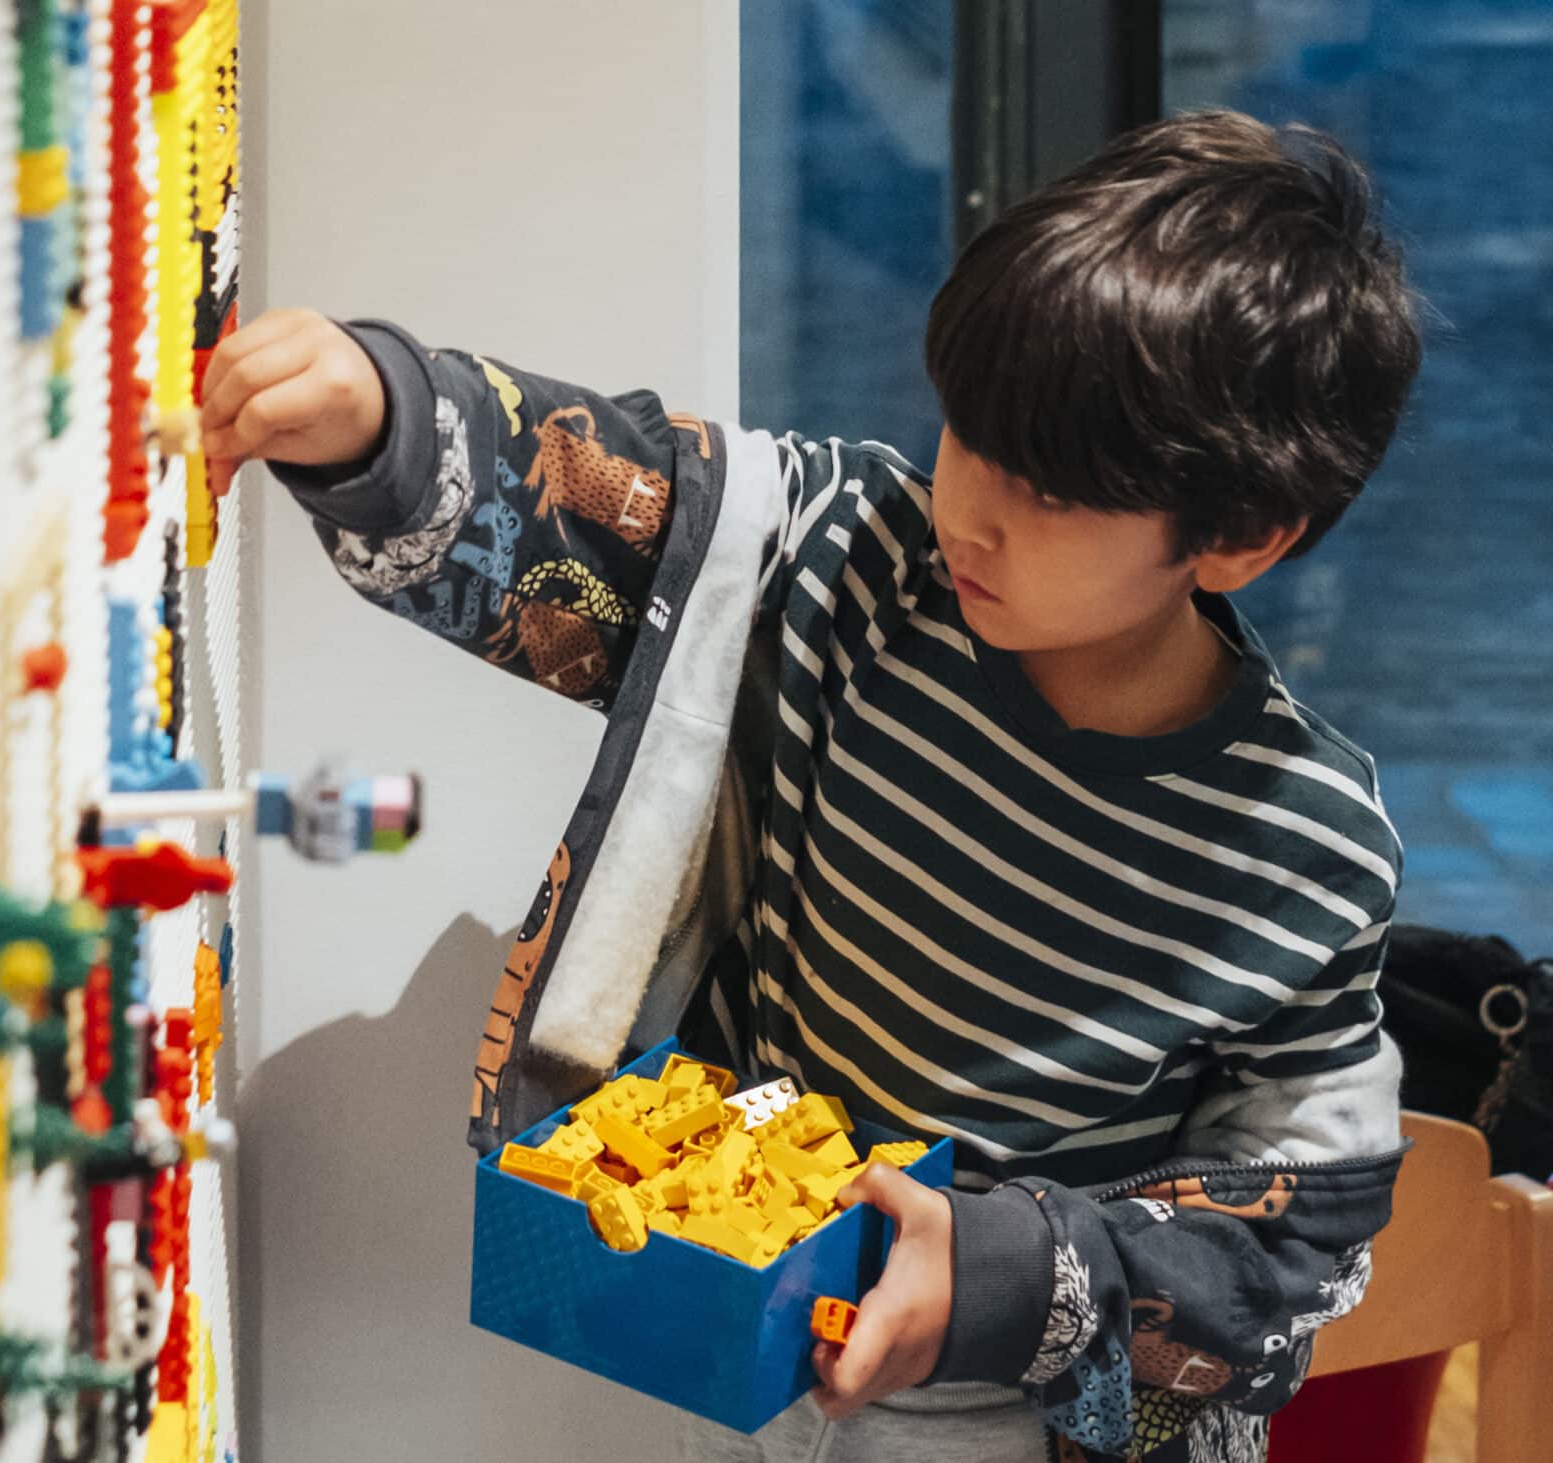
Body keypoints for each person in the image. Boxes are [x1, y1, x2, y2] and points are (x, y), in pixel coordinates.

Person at [201, 110, 1423, 1463]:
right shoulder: (862, 563)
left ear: (1241, 536)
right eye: (966, 435)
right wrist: (379, 420)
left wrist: (1004, 1272)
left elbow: (1296, 1219)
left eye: (1047, 491)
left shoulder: (1300, 844)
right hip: (766, 1346)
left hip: (1026, 1421)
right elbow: (616, 504)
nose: (969, 509)